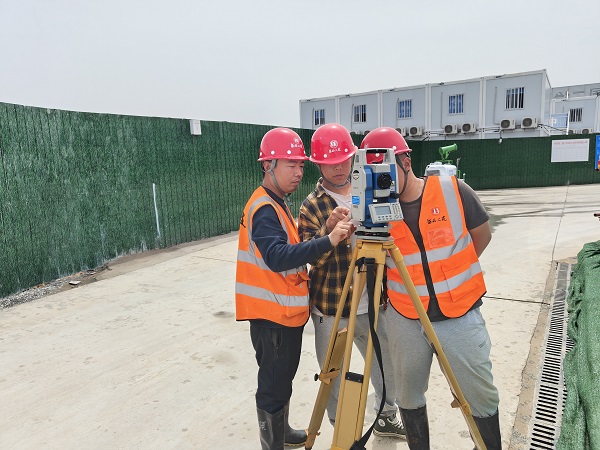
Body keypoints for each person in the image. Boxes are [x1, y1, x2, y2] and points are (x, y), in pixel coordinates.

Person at [361, 127, 502, 450]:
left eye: (384, 169)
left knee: (479, 392)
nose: (379, 179)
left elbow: (482, 235)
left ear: (405, 161)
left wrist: (449, 276)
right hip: (405, 316)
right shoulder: (374, 210)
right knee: (408, 394)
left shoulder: (454, 190)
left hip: (459, 312)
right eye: (372, 172)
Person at [235, 127, 353, 450]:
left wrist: (325, 230)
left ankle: (282, 431)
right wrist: (329, 240)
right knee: (273, 386)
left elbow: (293, 247)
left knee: (282, 379)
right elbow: (277, 256)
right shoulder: (264, 208)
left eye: (301, 165)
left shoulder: (277, 202)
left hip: (284, 313)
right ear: (268, 165)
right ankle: (272, 443)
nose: (299, 172)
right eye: (291, 164)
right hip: (271, 316)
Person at [297, 123, 405, 438]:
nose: (339, 168)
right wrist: (328, 233)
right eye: (330, 163)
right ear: (318, 164)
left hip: (372, 300)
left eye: (344, 160)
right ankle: (341, 431)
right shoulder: (312, 205)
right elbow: (310, 257)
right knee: (333, 374)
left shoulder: (373, 188)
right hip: (332, 307)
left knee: (386, 365)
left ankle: (386, 415)